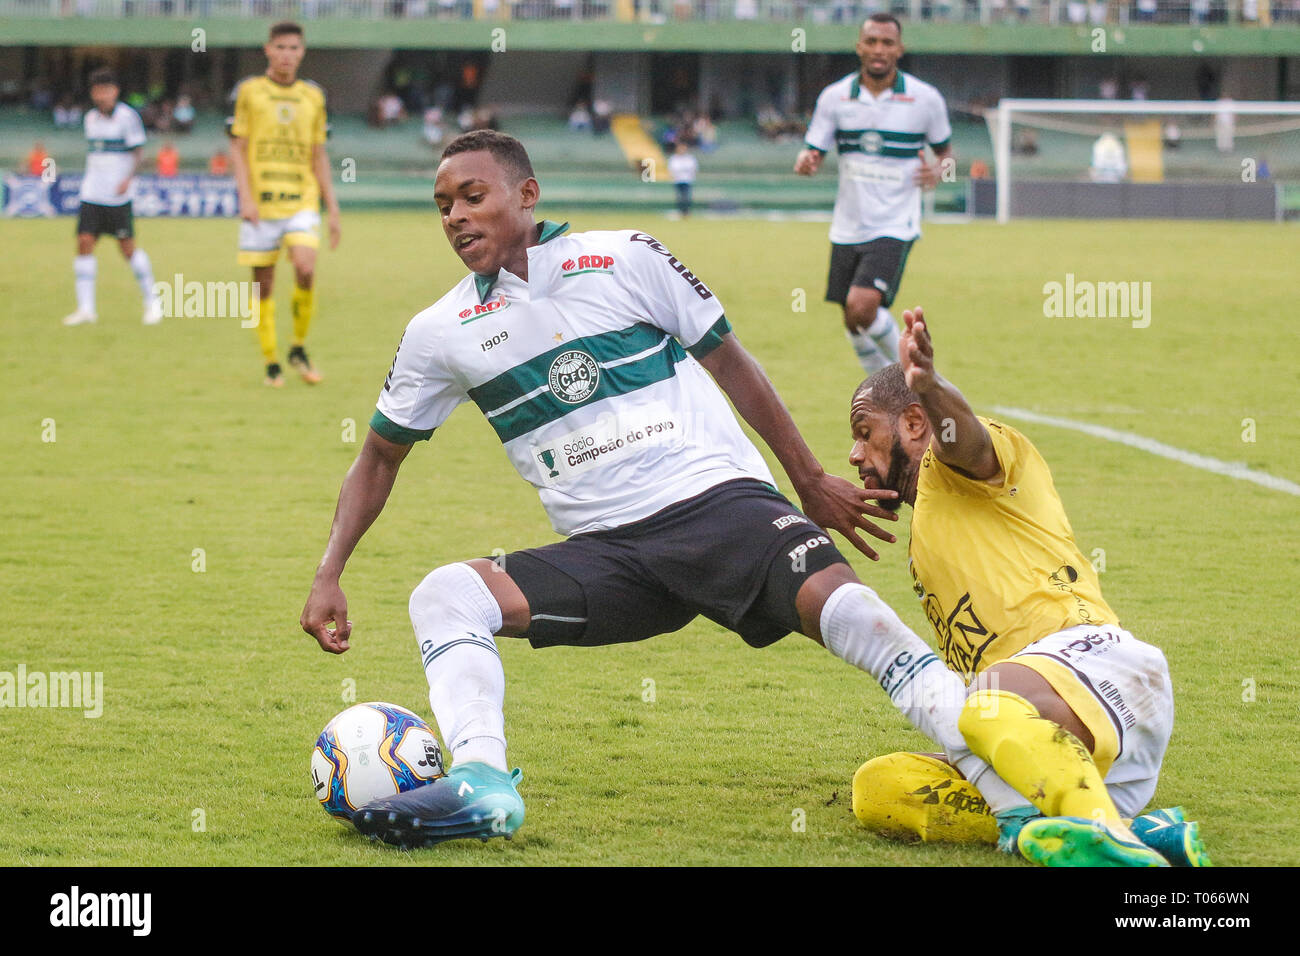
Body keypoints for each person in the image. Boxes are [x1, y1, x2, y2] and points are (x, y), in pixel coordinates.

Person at [300, 130, 998, 851]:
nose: (456, 217)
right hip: (612, 558)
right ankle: (482, 782)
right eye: (443, 206)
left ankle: (1021, 781)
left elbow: (730, 361)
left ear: (527, 194)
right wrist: (329, 573)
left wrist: (808, 479)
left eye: (472, 198)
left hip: (722, 508)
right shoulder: (438, 331)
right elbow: (380, 456)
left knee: (860, 621)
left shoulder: (624, 256)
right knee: (443, 595)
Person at [845, 307, 1210, 867]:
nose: (853, 455)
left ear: (914, 424)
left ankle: (1102, 837)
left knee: (982, 705)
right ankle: (1134, 831)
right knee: (881, 786)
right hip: (1052, 738)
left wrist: (931, 387)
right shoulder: (925, 533)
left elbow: (963, 439)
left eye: (865, 433)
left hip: (1098, 666)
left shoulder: (966, 466)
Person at [794, 14, 952, 376]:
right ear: (859, 47)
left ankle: (912, 374)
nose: (879, 50)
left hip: (896, 221)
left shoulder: (925, 99)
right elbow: (812, 149)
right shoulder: (834, 98)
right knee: (853, 319)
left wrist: (940, 171)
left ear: (900, 49)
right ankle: (885, 387)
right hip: (848, 224)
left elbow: (946, 155)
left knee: (862, 306)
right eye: (872, 42)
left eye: (887, 42)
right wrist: (807, 160)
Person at [228, 20, 340, 387]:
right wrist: (245, 196)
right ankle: (271, 361)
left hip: (301, 200)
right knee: (263, 284)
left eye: (294, 48)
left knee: (306, 268)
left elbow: (318, 154)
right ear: (268, 50)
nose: (287, 55)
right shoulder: (249, 92)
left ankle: (298, 346)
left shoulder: (313, 97)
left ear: (302, 51)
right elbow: (238, 147)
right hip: (261, 204)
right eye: (281, 47)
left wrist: (332, 207)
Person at [61, 69, 162, 328]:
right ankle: (86, 309)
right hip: (91, 193)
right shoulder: (90, 118)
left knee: (127, 248)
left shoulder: (128, 118)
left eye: (106, 89)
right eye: (97, 90)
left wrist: (128, 179)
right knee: (84, 242)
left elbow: (138, 152)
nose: (102, 95)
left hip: (117, 197)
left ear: (115, 91)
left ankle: (153, 302)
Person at [667, 140, 698, 217]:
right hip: (678, 180)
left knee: (686, 197)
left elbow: (693, 168)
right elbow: (673, 169)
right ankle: (680, 211)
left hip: (687, 180)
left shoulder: (690, 158)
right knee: (679, 197)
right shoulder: (674, 158)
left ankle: (686, 212)